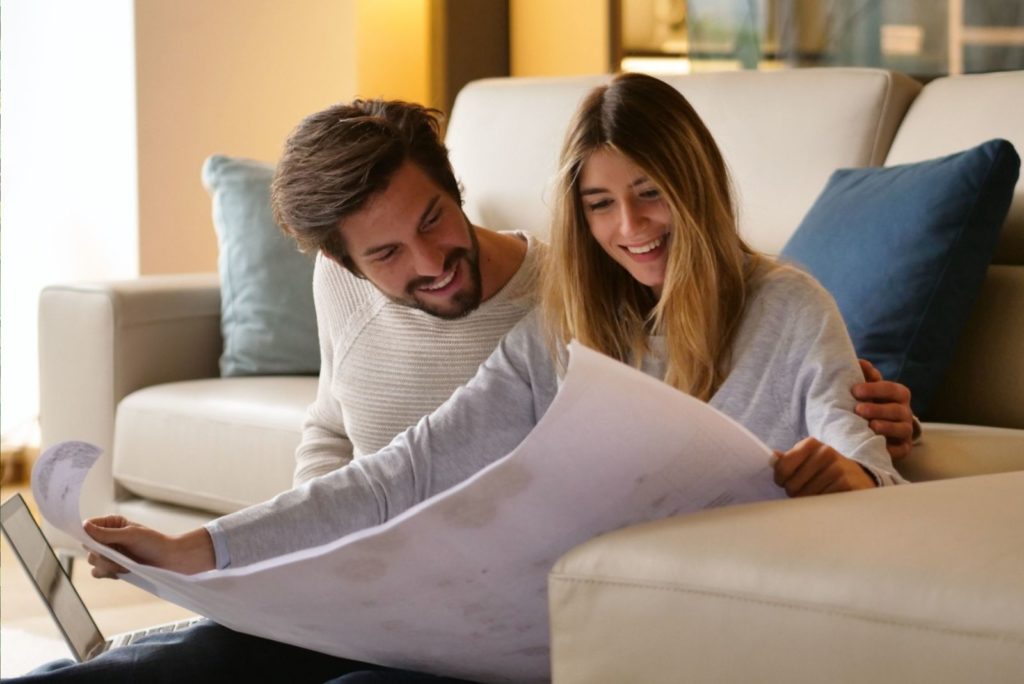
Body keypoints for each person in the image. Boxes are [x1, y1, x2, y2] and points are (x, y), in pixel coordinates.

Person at [10, 87, 912, 683]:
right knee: (193, 660)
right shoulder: (559, 329)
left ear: (698, 185)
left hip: (618, 636)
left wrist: (855, 478)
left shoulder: (790, 307)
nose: (630, 227)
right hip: (468, 612)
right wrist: (206, 548)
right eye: (600, 204)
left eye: (650, 194)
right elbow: (401, 470)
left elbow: (865, 462)